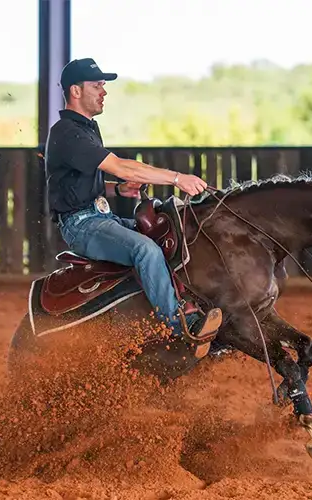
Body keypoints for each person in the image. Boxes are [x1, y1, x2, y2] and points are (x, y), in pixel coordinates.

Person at [44, 57, 223, 344]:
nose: (104, 91)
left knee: (168, 233)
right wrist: (177, 178)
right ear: (75, 91)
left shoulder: (86, 128)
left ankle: (189, 304)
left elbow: (78, 183)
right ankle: (180, 326)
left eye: (103, 85)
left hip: (99, 217)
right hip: (81, 226)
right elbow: (121, 166)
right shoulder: (67, 132)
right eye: (97, 85)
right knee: (145, 250)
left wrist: (118, 190)